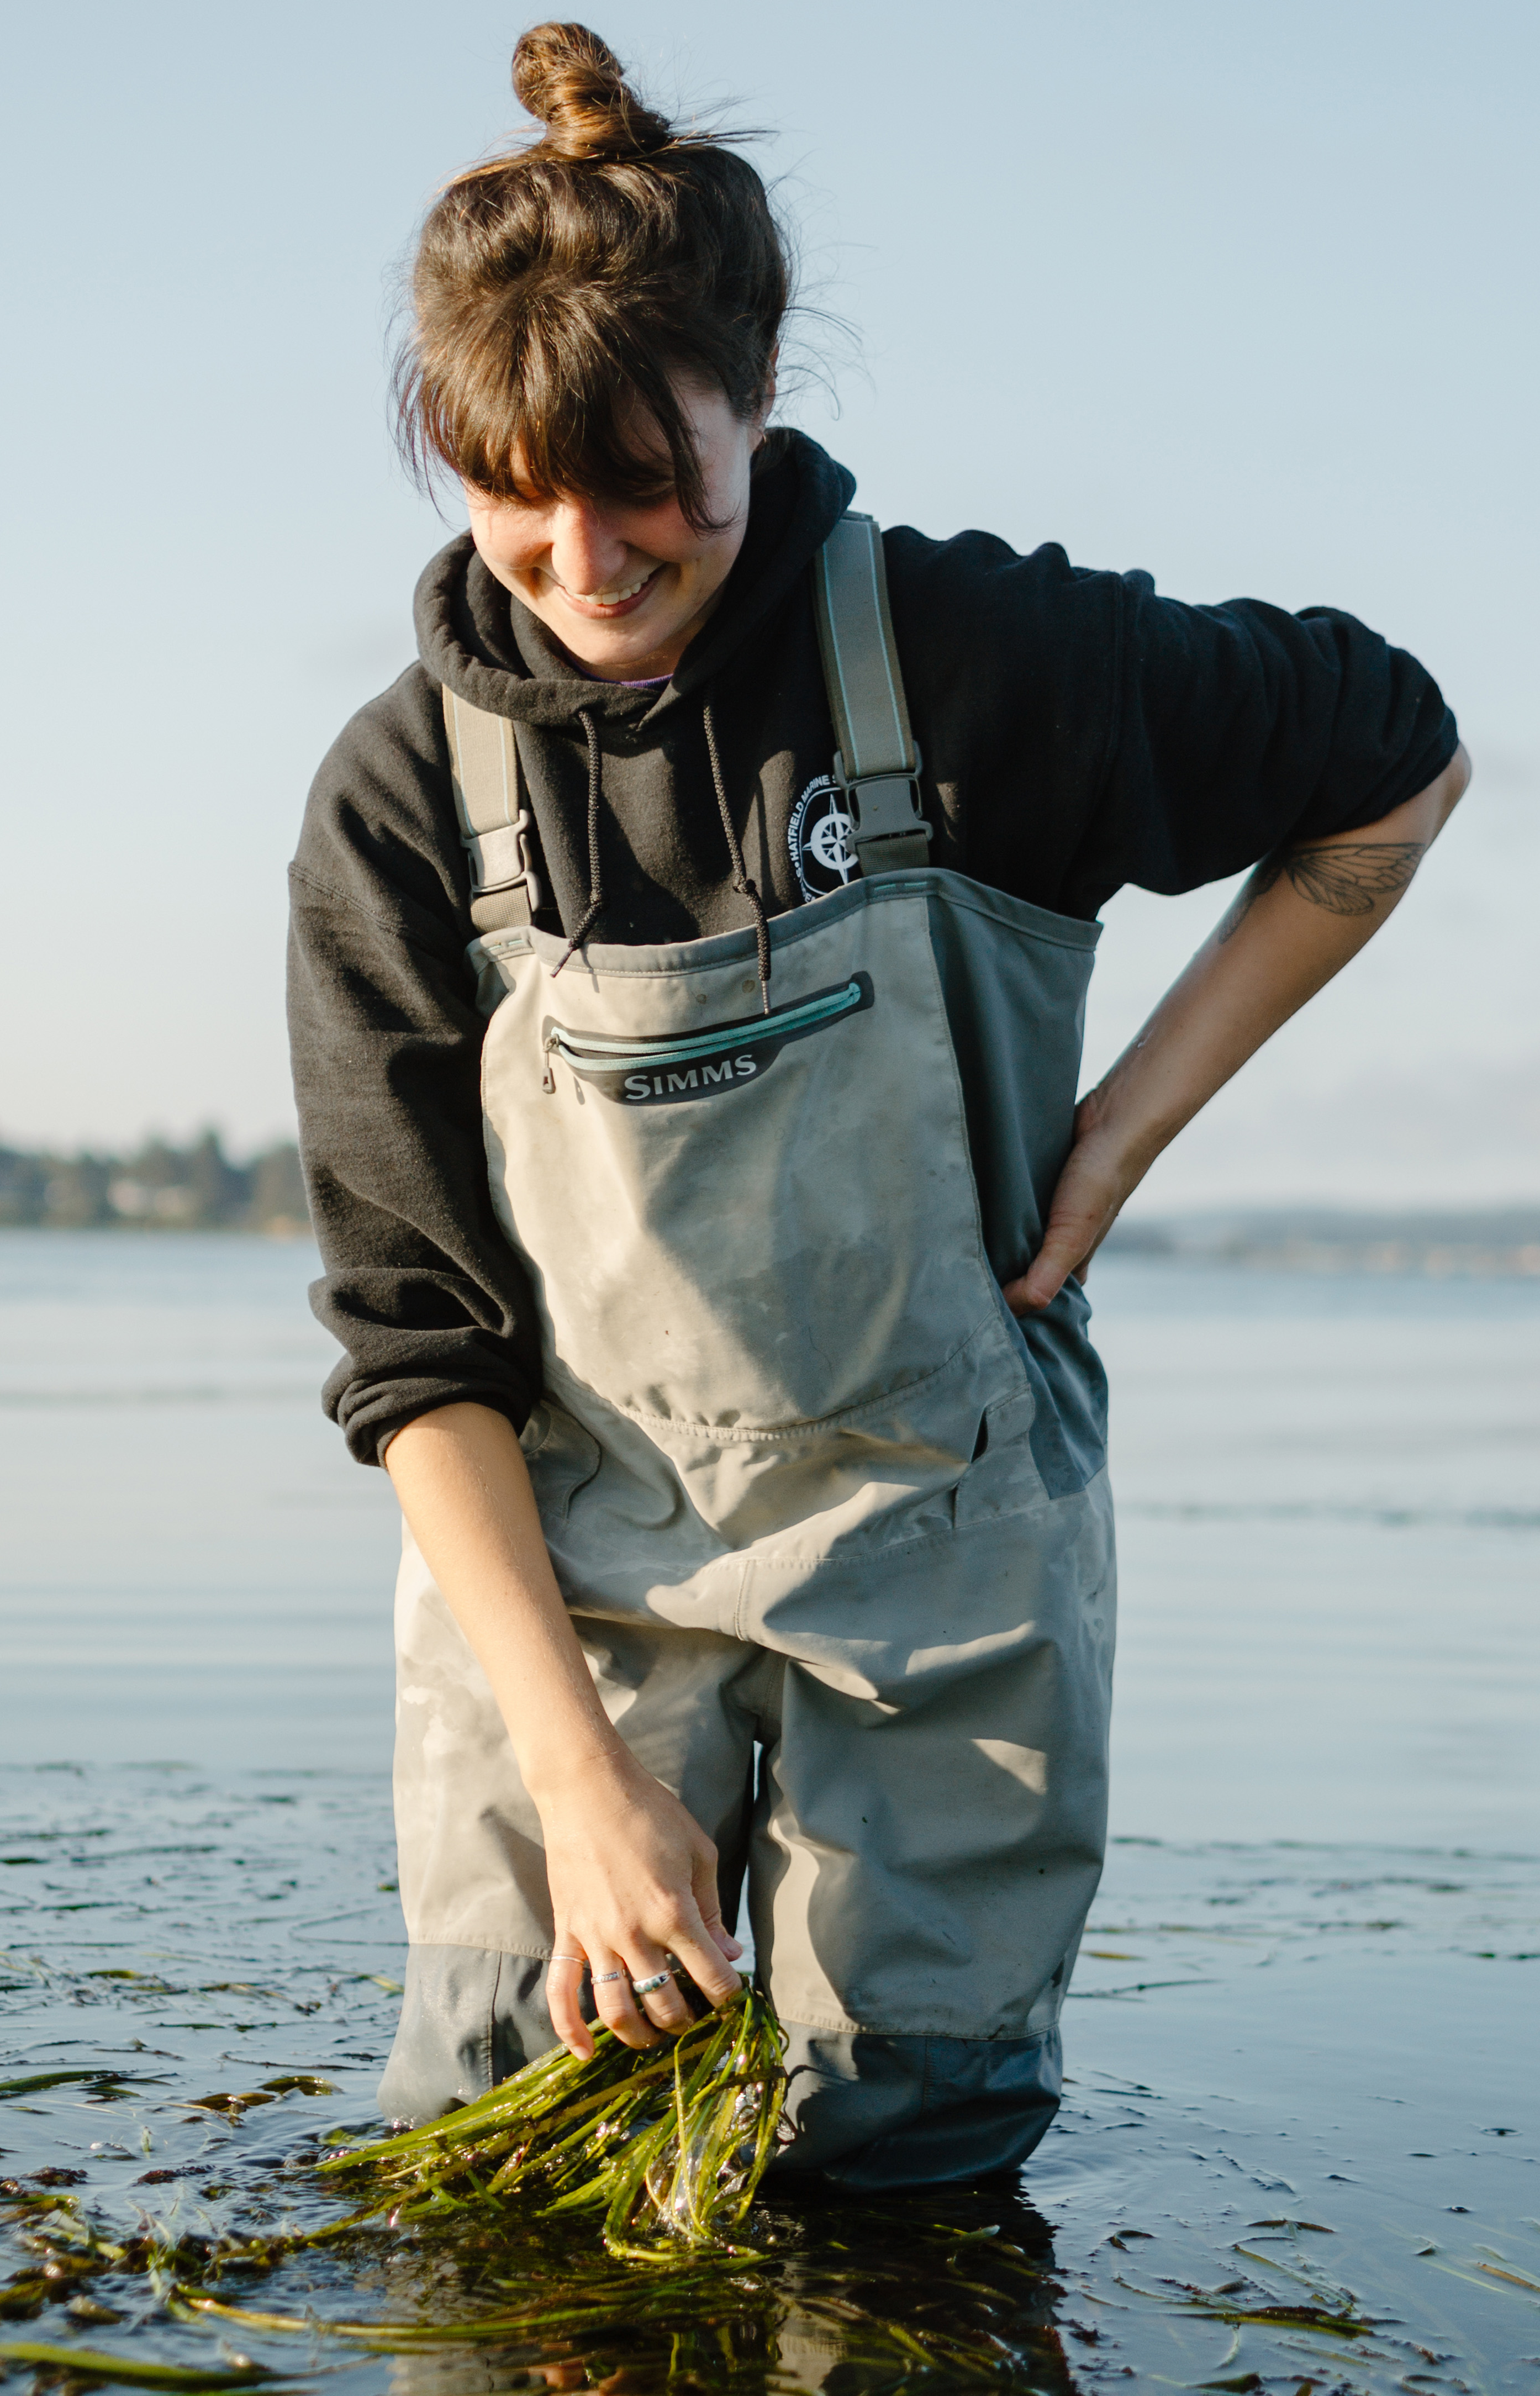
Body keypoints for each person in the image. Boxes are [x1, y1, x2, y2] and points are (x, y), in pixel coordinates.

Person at [287, 22, 1467, 2187]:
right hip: (565, 1581)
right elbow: (412, 1338)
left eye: (645, 477)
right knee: (510, 2153)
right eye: (514, 488)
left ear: (757, 390)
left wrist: (1121, 1134)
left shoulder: (983, 661)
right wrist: (581, 1780)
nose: (583, 554)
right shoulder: (398, 796)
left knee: (905, 2168)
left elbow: (1397, 759)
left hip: (946, 1560)